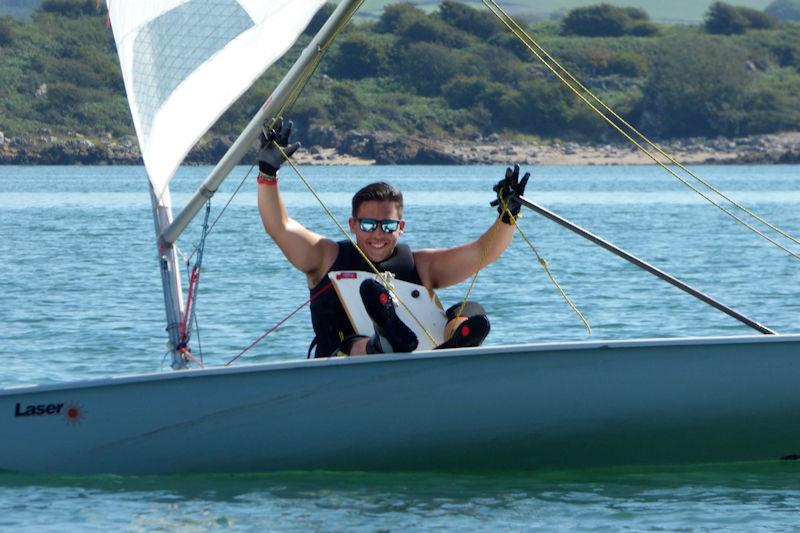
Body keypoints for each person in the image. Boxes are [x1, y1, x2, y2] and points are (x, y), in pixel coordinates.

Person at [257, 118, 529, 357]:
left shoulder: (420, 266)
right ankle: (383, 344)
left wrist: (508, 216)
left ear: (401, 227)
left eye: (387, 226)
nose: (377, 234)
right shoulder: (326, 257)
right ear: (352, 224)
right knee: (352, 342)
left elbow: (483, 252)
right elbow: (279, 227)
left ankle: (456, 342)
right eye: (368, 225)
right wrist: (268, 174)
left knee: (469, 308)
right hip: (342, 369)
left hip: (417, 369)